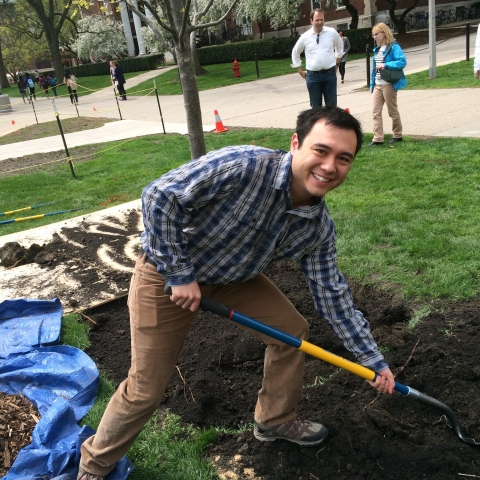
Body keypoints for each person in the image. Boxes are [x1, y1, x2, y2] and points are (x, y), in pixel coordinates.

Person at [77, 106, 395, 480]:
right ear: (296, 143)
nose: (329, 166)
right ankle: (93, 466)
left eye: (344, 159)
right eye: (321, 151)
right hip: (166, 275)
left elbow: (333, 296)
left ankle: (274, 420)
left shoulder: (316, 229)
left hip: (234, 279)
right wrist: (179, 274)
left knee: (291, 334)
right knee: (145, 388)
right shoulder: (243, 165)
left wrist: (372, 359)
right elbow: (160, 196)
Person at [291, 9, 344, 108]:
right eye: (317, 20)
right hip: (313, 77)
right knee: (316, 109)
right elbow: (295, 52)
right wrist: (299, 70)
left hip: (330, 75)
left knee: (332, 108)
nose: (320, 22)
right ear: (311, 20)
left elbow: (340, 46)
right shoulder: (305, 37)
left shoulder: (331, 33)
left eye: (322, 20)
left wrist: (337, 63)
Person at [369, 23, 406, 146]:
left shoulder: (394, 47)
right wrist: (372, 84)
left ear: (384, 33)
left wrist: (386, 65)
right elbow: (374, 68)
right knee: (375, 112)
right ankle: (378, 138)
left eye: (376, 34)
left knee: (392, 111)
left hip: (389, 84)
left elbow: (402, 62)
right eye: (373, 35)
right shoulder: (377, 49)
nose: (374, 37)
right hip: (378, 85)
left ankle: (397, 134)